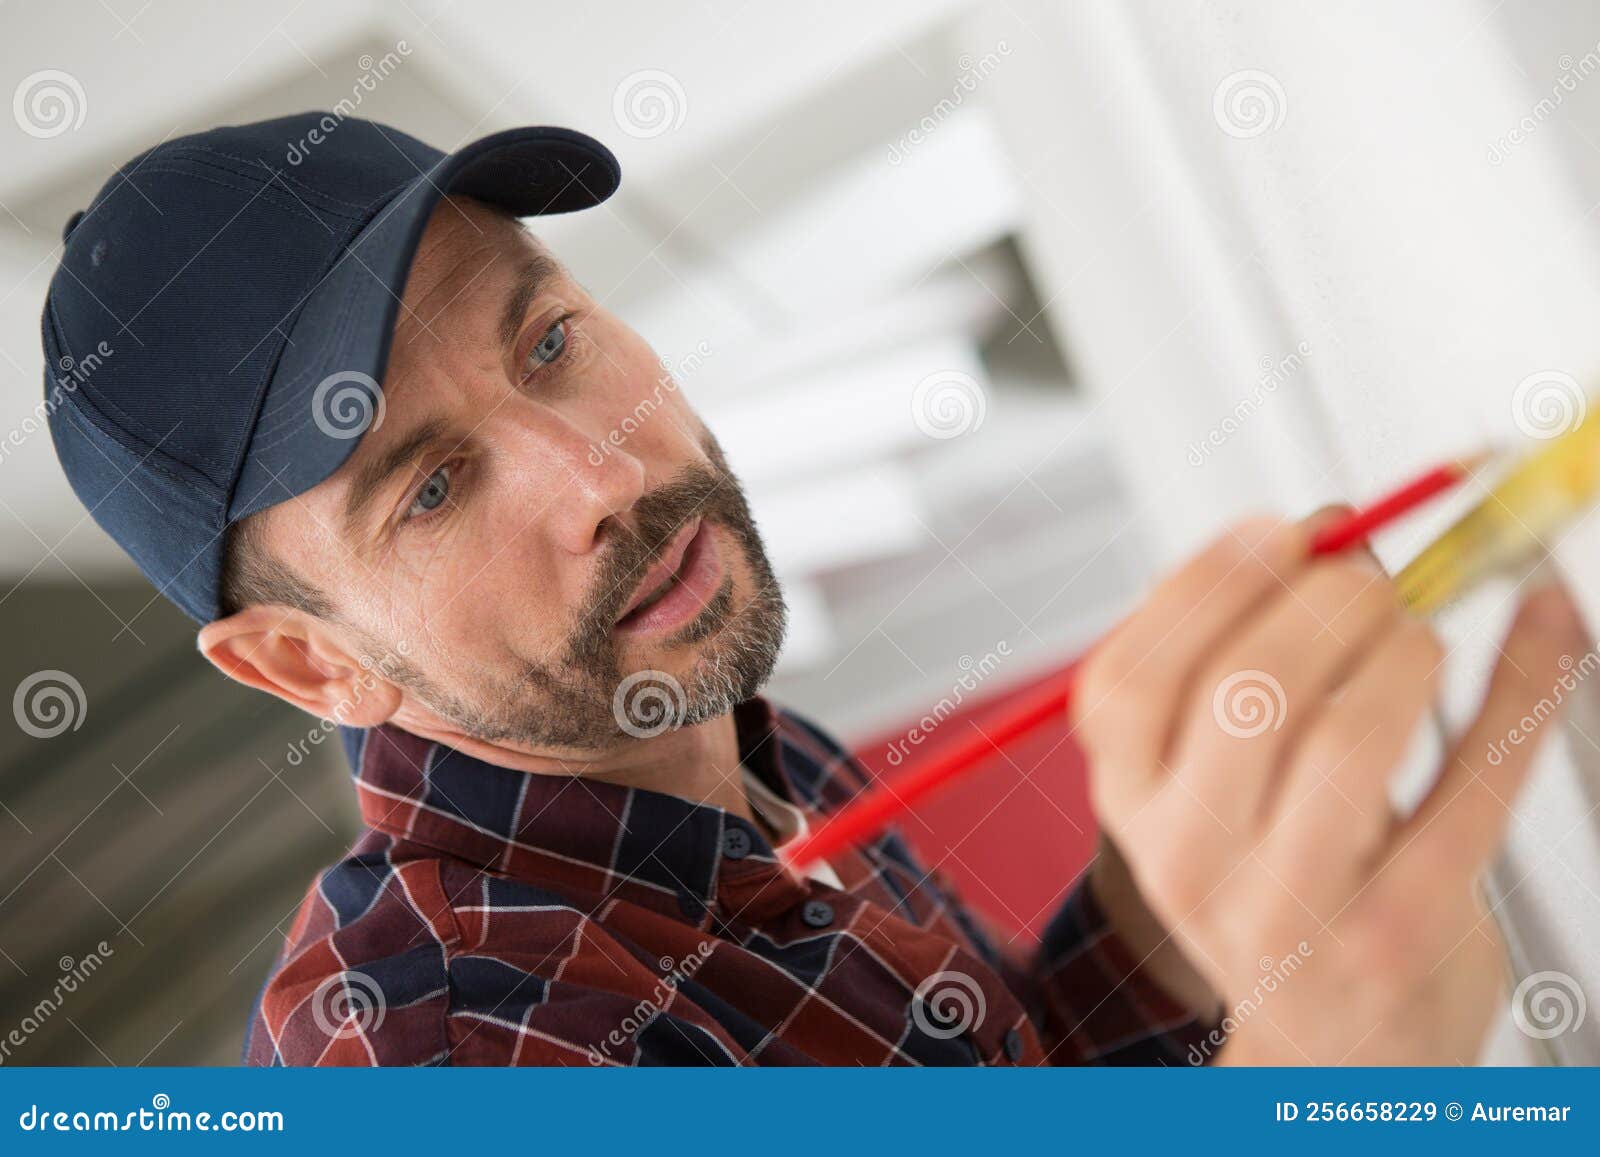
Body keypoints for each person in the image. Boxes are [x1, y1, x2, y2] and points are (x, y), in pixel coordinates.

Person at [43, 113, 1585, 1066]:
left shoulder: (705, 738)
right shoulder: (446, 1061)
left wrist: (1192, 913)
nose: (606, 480)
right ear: (312, 667)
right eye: (433, 488)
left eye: (550, 344)